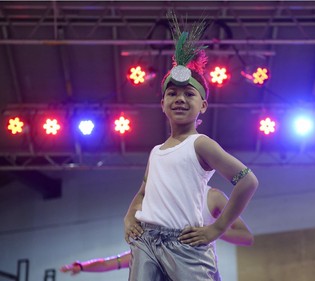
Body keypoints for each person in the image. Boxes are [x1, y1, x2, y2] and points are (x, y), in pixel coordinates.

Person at [123, 11, 259, 281]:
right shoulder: (156, 151)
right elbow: (143, 192)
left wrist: (217, 228)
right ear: (162, 104)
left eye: (189, 94)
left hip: (185, 245)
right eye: (172, 93)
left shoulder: (200, 144)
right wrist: (129, 217)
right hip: (147, 242)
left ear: (203, 105)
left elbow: (248, 181)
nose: (180, 99)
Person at [59, 186, 253, 275]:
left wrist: (212, 230)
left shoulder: (212, 197)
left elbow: (246, 237)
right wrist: (83, 266)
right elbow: (112, 263)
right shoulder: (156, 239)